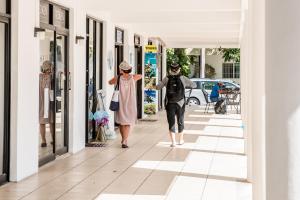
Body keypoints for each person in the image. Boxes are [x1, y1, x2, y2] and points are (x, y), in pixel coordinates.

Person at [156, 63, 196, 147]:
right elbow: (194, 85)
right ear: (179, 69)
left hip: (170, 103)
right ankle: (181, 140)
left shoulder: (167, 78)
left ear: (170, 70)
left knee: (171, 122)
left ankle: (173, 142)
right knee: (180, 121)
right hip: (180, 103)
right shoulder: (183, 78)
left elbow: (158, 87)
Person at [109, 61, 142, 148]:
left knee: (121, 122)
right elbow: (141, 75)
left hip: (120, 102)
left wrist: (119, 76)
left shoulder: (118, 78)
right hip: (130, 103)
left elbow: (109, 82)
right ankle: (125, 140)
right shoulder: (133, 77)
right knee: (127, 123)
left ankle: (124, 139)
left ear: (121, 69)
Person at [39, 61, 55, 147]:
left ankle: (44, 141)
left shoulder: (39, 77)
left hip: (42, 102)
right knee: (49, 121)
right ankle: (49, 140)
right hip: (46, 102)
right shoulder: (50, 77)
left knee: (45, 122)